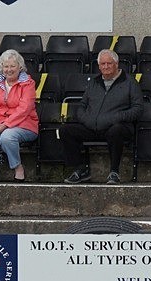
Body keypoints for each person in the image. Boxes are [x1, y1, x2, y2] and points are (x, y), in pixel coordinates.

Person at [61, 49, 144, 185]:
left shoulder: (130, 83)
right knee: (66, 130)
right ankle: (80, 169)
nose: (105, 67)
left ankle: (114, 171)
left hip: (116, 126)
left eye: (109, 63)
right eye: (102, 64)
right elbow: (82, 105)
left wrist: (117, 117)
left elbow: (138, 109)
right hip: (92, 126)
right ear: (99, 66)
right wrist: (86, 119)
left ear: (116, 64)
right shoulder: (94, 82)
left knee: (116, 130)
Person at [0, 49, 38, 182]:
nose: (9, 70)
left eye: (12, 66)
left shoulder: (28, 84)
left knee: (7, 137)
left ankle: (18, 167)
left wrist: (6, 125)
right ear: (1, 68)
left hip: (25, 124)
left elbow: (24, 109)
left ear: (20, 67)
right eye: (6, 66)